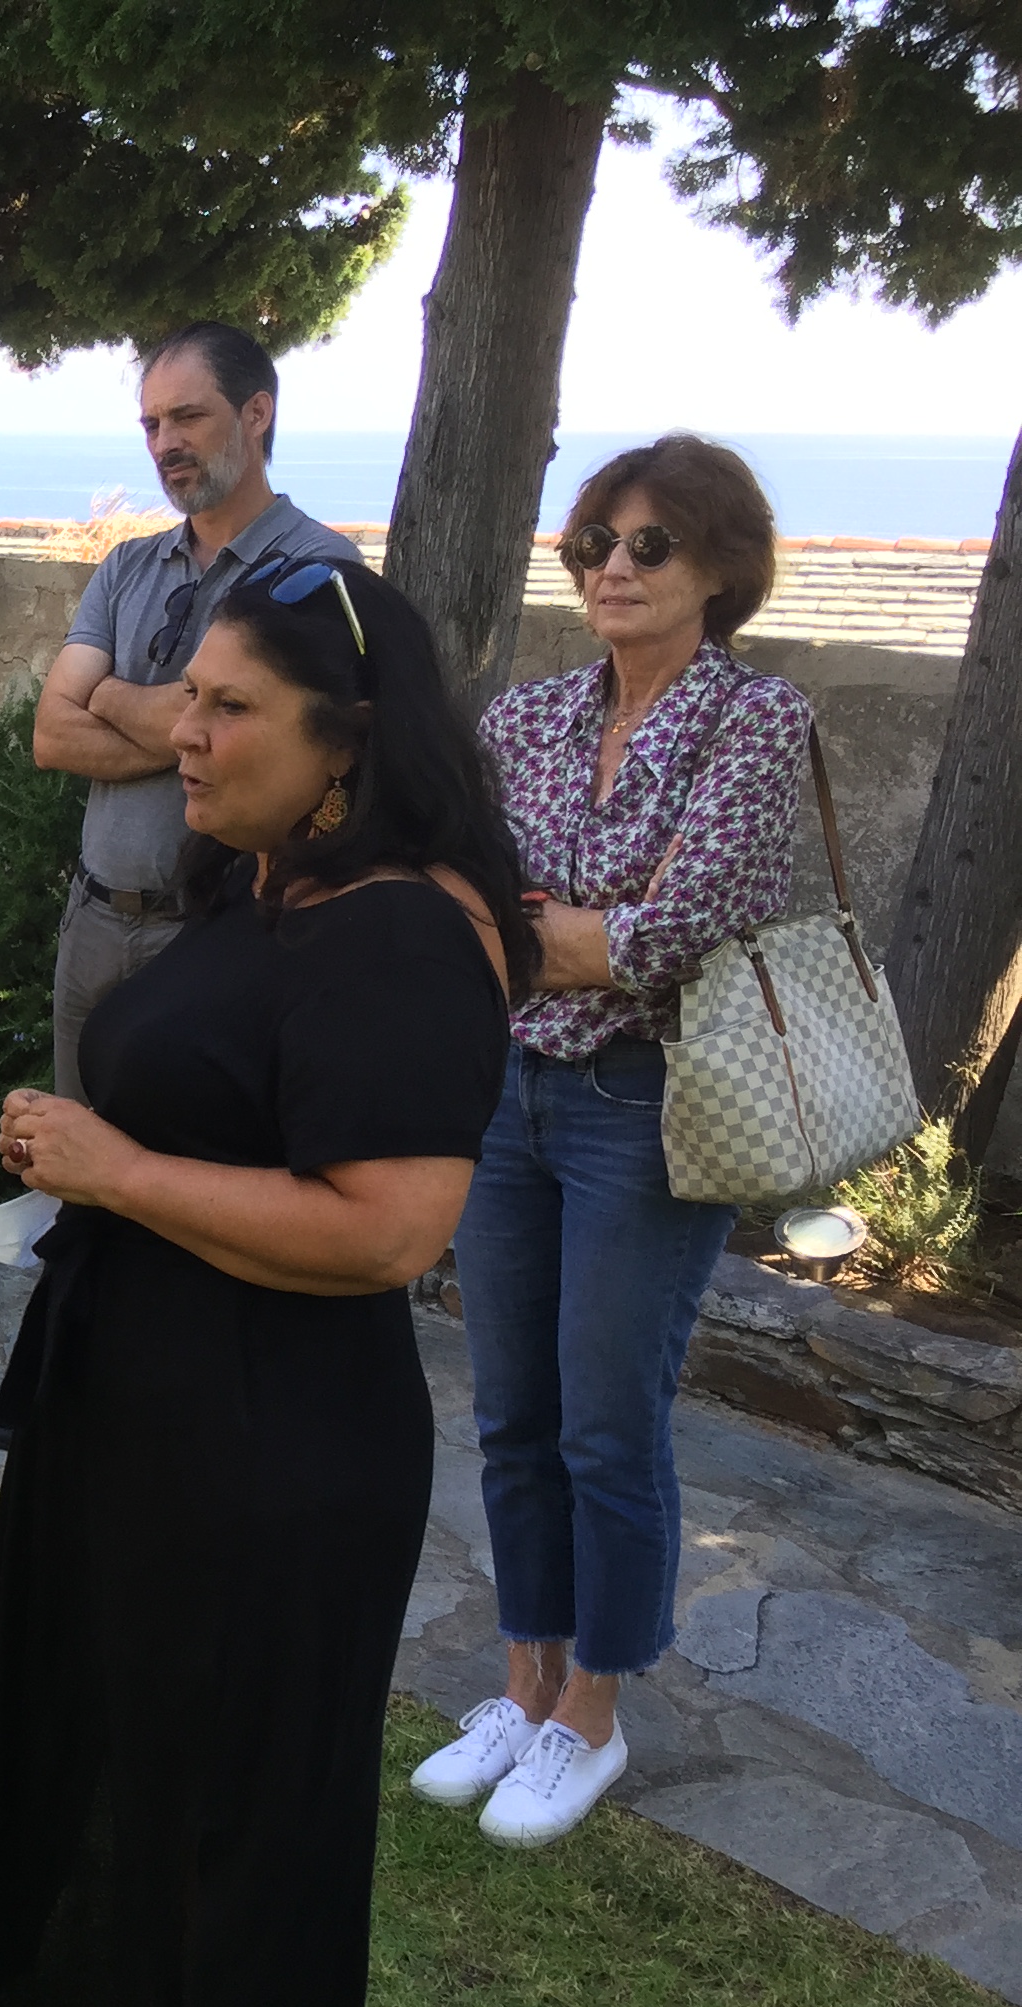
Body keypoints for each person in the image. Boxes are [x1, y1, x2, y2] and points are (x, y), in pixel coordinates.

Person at [0, 560, 532, 2007]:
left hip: (269, 1436)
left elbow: (388, 1228)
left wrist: (117, 1165)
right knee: (245, 1764)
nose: (175, 728)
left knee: (220, 1769)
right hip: (169, 1397)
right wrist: (88, 1156)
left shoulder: (403, 929)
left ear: (344, 741)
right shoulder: (275, 893)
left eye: (224, 705)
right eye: (183, 692)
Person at [414, 437, 811, 1847]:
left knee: (605, 1420)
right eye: (594, 543)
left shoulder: (756, 722)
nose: (615, 569)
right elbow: (482, 899)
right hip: (509, 1094)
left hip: (649, 1104)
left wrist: (576, 933)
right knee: (512, 1409)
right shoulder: (526, 718)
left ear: (719, 567)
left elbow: (685, 923)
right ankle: (523, 1686)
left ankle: (594, 1711)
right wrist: (580, 932)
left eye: (649, 545)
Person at [31, 324, 364, 1104]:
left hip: (217, 924)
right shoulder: (128, 566)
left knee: (188, 1159)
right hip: (94, 917)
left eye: (188, 417)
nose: (165, 442)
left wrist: (105, 693)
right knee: (75, 1162)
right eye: (151, 424)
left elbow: (265, 741)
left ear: (256, 414)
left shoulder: (315, 572)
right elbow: (51, 732)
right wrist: (198, 714)